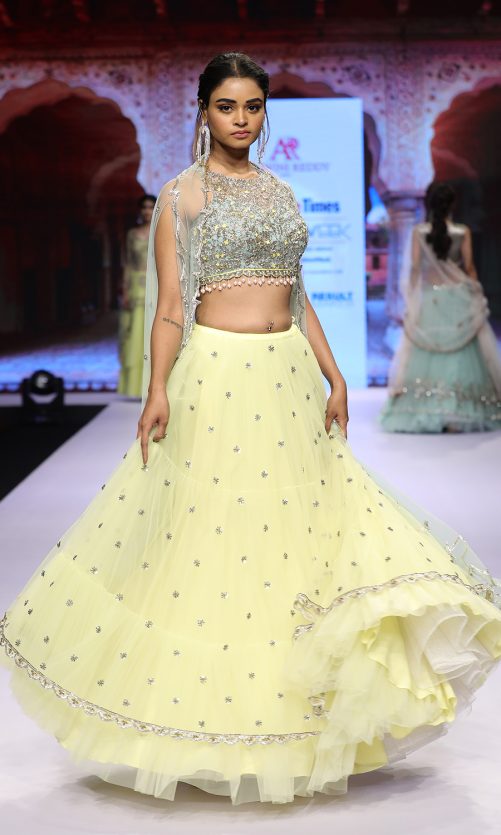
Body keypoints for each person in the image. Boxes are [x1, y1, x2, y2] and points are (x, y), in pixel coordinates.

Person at [2, 54, 501, 807]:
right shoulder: (183, 194)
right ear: (203, 111)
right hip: (217, 375)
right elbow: (172, 306)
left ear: (265, 113)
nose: (241, 119)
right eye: (227, 106)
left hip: (286, 373)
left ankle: (298, 718)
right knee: (212, 537)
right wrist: (157, 389)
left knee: (298, 533)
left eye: (253, 106)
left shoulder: (279, 190)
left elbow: (296, 294)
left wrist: (334, 373)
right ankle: (207, 725)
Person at [381, 182, 501, 432]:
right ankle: (456, 413)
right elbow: (469, 267)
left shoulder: (419, 232)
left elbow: (415, 268)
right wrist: (476, 292)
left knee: (429, 355)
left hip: (430, 299)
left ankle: (427, 409)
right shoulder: (461, 232)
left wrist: (411, 297)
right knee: (458, 356)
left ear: (430, 204)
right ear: (452, 205)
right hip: (457, 297)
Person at [118, 194, 156, 397]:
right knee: (134, 333)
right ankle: (134, 387)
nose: (147, 211)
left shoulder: (160, 231)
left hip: (154, 283)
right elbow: (128, 263)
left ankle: (153, 385)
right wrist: (125, 289)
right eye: (144, 207)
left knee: (152, 331)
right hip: (135, 286)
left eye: (151, 207)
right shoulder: (132, 234)